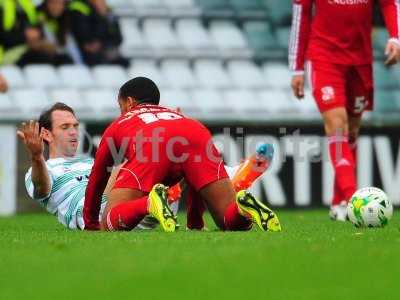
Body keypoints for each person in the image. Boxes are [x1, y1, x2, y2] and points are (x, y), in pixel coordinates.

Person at [18, 102, 273, 231]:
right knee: (132, 163)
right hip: (103, 212)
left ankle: (165, 197)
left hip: (130, 210)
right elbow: (42, 189)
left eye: (75, 125)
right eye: (65, 127)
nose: (74, 132)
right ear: (46, 135)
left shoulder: (89, 162)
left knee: (174, 156)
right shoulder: (39, 170)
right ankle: (229, 180)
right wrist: (37, 157)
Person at [83, 77, 281, 232]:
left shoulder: (121, 122)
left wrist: (91, 223)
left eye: (121, 107)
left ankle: (150, 203)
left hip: (153, 140)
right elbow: (197, 181)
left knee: (110, 221)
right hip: (195, 131)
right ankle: (242, 208)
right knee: (227, 220)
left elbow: (98, 176)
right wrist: (195, 223)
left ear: (129, 102)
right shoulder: (178, 115)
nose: (121, 111)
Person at [289, 0, 400, 221]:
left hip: (360, 60)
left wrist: (395, 37)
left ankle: (338, 203)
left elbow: (390, 3)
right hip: (323, 58)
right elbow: (300, 15)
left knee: (351, 132)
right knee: (337, 125)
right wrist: (297, 67)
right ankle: (353, 198)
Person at [68, 0, 128, 66]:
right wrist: (101, 17)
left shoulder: (109, 13)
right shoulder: (78, 8)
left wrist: (102, 44)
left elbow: (118, 38)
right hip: (84, 51)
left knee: (123, 62)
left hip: (104, 50)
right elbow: (84, 37)